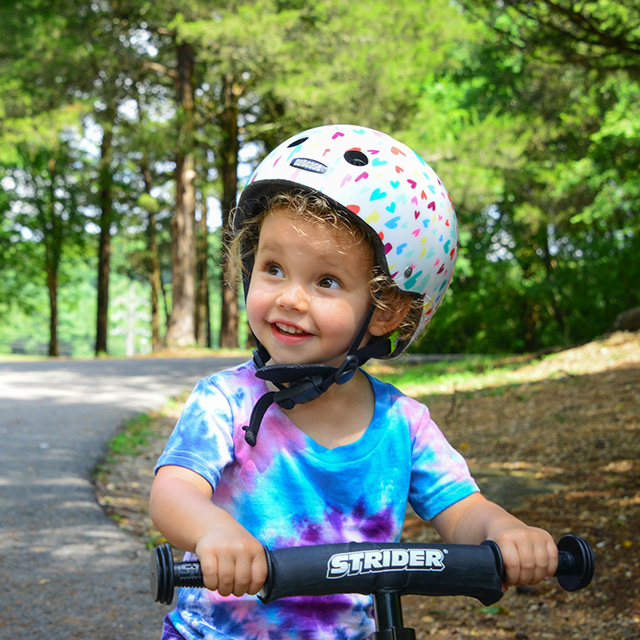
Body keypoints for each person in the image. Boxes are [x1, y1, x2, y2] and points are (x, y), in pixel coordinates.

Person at [150, 124, 558, 640]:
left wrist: (505, 532)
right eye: (273, 267)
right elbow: (173, 491)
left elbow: (463, 512)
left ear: (386, 310)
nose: (290, 298)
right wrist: (213, 532)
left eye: (326, 281)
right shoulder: (226, 402)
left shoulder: (402, 425)